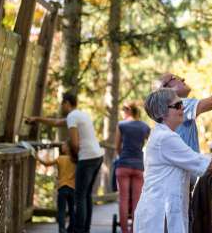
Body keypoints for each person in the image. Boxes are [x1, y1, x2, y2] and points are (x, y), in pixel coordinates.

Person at [133, 88, 212, 233]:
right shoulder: (166, 138)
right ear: (163, 113)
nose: (183, 108)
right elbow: (204, 164)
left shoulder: (163, 135)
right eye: (178, 105)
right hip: (160, 214)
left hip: (162, 210)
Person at [26, 92, 104, 233]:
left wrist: (74, 157)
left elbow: (74, 143)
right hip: (97, 156)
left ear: (67, 103)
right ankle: (85, 229)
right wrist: (36, 119)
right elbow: (56, 123)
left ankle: (79, 230)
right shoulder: (81, 114)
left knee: (79, 196)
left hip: (86, 158)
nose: (61, 107)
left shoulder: (72, 116)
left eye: (62, 104)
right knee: (86, 195)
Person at [114, 102, 150, 233]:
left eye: (123, 110)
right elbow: (152, 144)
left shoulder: (121, 125)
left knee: (123, 199)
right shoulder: (144, 127)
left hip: (123, 165)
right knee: (136, 201)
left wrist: (121, 156)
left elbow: (117, 146)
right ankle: (135, 230)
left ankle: (125, 231)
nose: (122, 113)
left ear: (127, 110)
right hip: (138, 167)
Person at [35, 141, 77, 233]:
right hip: (73, 189)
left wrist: (37, 157)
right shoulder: (75, 160)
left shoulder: (60, 158)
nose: (61, 147)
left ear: (68, 148)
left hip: (62, 188)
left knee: (61, 211)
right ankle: (72, 229)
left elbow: (47, 163)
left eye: (64, 145)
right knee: (72, 211)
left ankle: (62, 230)